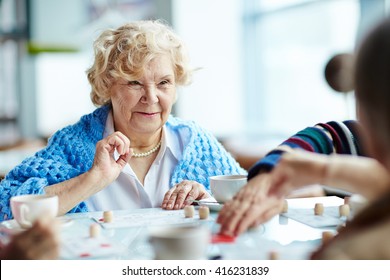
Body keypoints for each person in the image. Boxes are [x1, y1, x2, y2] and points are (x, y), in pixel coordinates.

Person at [0, 20, 245, 221]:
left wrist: (209, 200)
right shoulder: (71, 143)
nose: (151, 98)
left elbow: (251, 202)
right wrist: (91, 179)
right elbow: (5, 207)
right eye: (134, 82)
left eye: (163, 83)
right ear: (107, 86)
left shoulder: (194, 141)